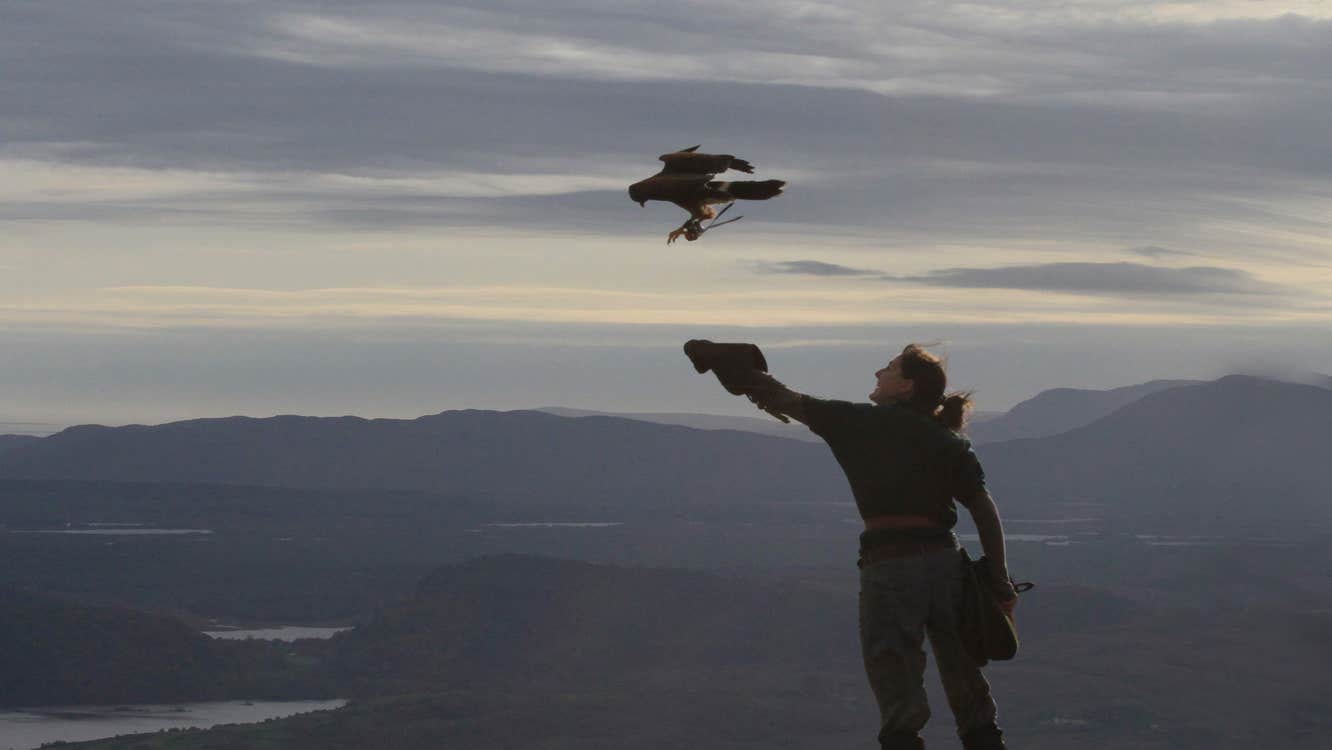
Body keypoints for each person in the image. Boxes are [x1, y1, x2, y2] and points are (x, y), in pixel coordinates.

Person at [742, 344, 1017, 750]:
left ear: (906, 386)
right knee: (966, 680)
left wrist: (735, 369)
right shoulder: (948, 440)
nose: (876, 372)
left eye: (887, 368)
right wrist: (999, 583)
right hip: (946, 563)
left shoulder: (859, 422)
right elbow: (984, 509)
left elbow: (783, 399)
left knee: (896, 685)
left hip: (889, 567)